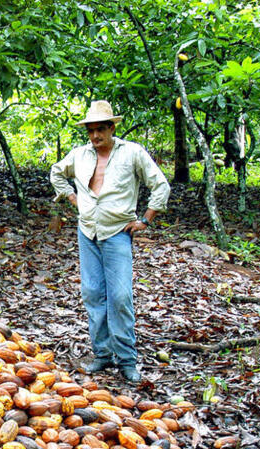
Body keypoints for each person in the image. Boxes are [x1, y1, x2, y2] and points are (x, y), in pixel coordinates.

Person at [50, 100, 171, 384]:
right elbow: (57, 172)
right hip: (88, 230)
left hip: (118, 232)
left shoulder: (132, 153)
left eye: (100, 129)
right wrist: (70, 197)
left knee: (120, 297)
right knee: (93, 293)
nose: (95, 136)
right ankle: (102, 354)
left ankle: (127, 360)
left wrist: (146, 218)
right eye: (90, 131)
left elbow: (160, 184)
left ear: (112, 128)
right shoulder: (80, 155)